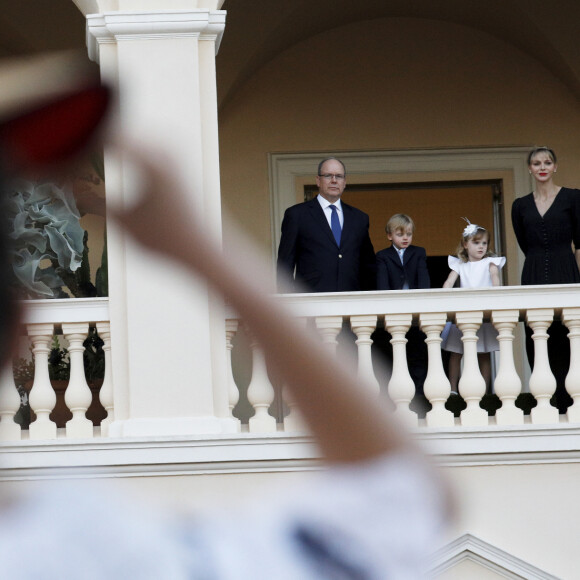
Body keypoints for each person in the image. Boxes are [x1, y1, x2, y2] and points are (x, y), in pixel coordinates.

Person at [0, 53, 448, 578]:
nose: (333, 181)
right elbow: (401, 497)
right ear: (19, 333)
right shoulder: (97, 548)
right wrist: (198, 249)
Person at [511, 146, 580, 412]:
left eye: (547, 162)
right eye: (537, 163)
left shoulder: (573, 198)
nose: (542, 167)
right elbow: (524, 243)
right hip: (534, 272)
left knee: (568, 338)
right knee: (538, 338)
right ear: (530, 168)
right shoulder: (520, 205)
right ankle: (546, 403)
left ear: (555, 167)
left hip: (567, 272)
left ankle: (569, 402)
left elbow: (579, 244)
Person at [277, 157, 376, 292]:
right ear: (318, 180)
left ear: (345, 182)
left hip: (352, 303)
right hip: (311, 303)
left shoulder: (359, 218)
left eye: (339, 176)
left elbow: (368, 266)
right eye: (328, 175)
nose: (334, 180)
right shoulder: (297, 215)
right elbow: (285, 266)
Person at [442, 220, 505, 394]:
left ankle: (484, 391)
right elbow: (449, 282)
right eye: (476, 243)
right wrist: (444, 294)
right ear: (465, 244)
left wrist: (496, 294)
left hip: (482, 312)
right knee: (456, 352)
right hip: (463, 312)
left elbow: (495, 278)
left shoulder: (491, 262)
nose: (481, 247)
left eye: (484, 243)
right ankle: (453, 389)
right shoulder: (459, 265)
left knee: (483, 353)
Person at [375, 214, 430, 410]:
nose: (405, 238)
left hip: (415, 314)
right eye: (400, 234)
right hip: (394, 314)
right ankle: (392, 399)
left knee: (417, 354)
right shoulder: (383, 256)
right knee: (393, 356)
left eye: (409, 234)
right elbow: (382, 286)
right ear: (390, 236)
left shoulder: (418, 252)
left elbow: (423, 282)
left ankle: (420, 396)